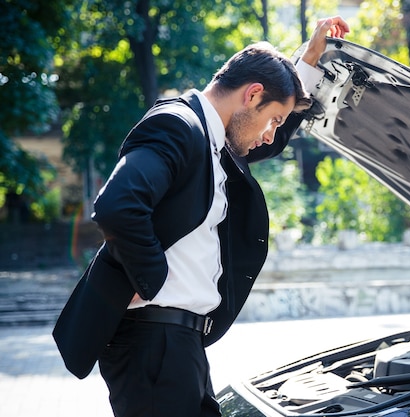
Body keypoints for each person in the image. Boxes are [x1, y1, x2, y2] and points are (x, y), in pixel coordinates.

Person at [53, 16, 350, 417]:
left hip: (175, 343)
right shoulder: (177, 126)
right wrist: (150, 277)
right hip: (153, 343)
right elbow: (118, 205)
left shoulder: (215, 142)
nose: (271, 134)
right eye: (273, 120)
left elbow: (268, 138)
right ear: (252, 95)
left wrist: (308, 61)